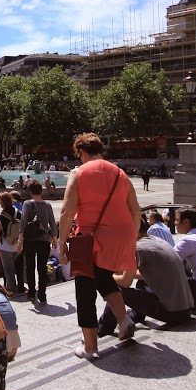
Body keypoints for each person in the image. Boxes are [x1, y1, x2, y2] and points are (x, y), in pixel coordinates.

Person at [58, 132, 141, 360]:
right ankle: (124, 320)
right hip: (121, 236)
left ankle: (90, 346)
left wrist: (62, 241)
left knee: (84, 288)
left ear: (82, 152)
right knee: (103, 278)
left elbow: (67, 211)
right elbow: (136, 210)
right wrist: (131, 238)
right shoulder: (120, 173)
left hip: (92, 240)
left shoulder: (79, 173)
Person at [97, 221, 193, 334]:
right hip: (187, 309)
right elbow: (147, 274)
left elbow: (125, 282)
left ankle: (103, 328)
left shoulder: (138, 248)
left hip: (173, 313)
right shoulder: (157, 241)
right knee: (142, 283)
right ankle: (136, 315)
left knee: (115, 289)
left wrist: (106, 278)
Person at [20, 181, 58, 303]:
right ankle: (42, 294)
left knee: (30, 267)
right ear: (41, 191)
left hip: (30, 240)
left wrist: (20, 239)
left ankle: (32, 293)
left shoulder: (27, 204)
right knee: (42, 268)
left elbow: (23, 222)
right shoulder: (47, 205)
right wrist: (54, 239)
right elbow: (52, 223)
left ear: (30, 192)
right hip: (44, 240)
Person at [0, 192, 23, 294]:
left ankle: (12, 290)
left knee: (8, 270)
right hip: (18, 246)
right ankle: (20, 286)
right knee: (18, 267)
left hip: (6, 247)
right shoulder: (19, 213)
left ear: (2, 203)